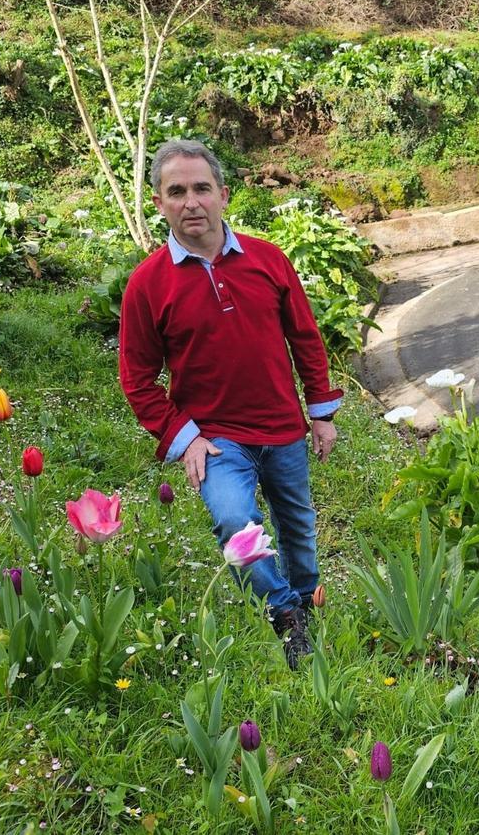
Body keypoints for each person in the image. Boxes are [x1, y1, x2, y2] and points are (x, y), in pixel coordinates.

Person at [118, 139, 342, 670]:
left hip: (282, 427)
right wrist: (185, 437)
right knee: (236, 523)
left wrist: (320, 412)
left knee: (297, 525)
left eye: (201, 188)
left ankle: (307, 601)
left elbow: (305, 339)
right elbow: (137, 379)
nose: (191, 201)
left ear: (223, 194)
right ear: (159, 203)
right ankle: (284, 613)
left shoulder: (268, 259)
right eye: (177, 192)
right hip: (216, 440)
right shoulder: (147, 284)